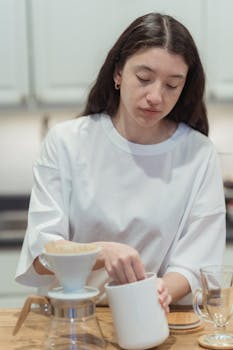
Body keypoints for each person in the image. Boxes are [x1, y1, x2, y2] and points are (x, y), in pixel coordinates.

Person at [15, 12, 226, 310]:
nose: (156, 96)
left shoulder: (198, 153)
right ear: (118, 73)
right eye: (144, 78)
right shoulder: (66, 142)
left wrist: (159, 292)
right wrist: (101, 251)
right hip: (75, 319)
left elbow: (198, 261)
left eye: (172, 85)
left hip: (155, 316)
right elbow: (41, 256)